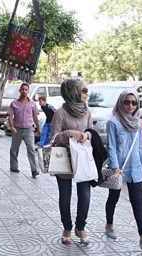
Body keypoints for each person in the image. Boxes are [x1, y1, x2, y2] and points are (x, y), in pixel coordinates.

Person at [105, 89, 142, 250]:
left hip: (135, 167)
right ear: (121, 102)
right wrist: (115, 167)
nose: (130, 106)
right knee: (113, 198)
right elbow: (112, 148)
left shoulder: (138, 123)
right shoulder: (113, 122)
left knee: (137, 202)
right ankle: (109, 225)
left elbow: (140, 148)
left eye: (134, 102)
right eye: (127, 102)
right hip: (119, 168)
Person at [51, 78, 93, 245]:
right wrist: (69, 133)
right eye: (83, 91)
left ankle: (80, 227)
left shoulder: (86, 111)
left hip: (82, 159)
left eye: (86, 91)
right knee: (65, 196)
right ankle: (67, 227)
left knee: (85, 196)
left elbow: (91, 132)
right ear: (73, 92)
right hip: (65, 160)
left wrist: (86, 135)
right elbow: (53, 138)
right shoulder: (60, 113)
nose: (86, 94)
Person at [7, 83, 42, 178]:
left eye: (26, 89)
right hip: (17, 129)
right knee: (14, 149)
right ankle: (14, 167)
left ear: (28, 91)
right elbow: (10, 116)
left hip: (29, 129)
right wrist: (12, 127)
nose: (24, 91)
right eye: (22, 89)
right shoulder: (14, 103)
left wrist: (38, 128)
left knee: (31, 149)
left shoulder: (32, 104)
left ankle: (34, 170)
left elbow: (35, 117)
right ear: (20, 90)